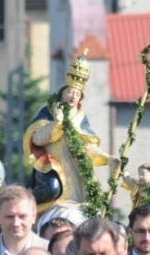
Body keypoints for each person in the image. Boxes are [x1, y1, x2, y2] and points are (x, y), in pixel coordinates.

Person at [24, 53, 119, 226]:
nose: (73, 96)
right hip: (53, 168)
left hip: (76, 173)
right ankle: (27, 206)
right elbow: (37, 139)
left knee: (90, 199)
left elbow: (87, 148)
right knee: (52, 188)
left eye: (77, 93)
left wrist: (107, 159)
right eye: (70, 91)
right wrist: (57, 124)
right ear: (62, 93)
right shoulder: (49, 112)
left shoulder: (80, 119)